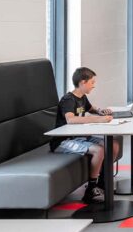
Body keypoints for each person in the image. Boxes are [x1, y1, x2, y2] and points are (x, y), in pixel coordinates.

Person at [50, 67, 120, 203]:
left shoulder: (82, 97)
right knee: (99, 150)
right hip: (63, 141)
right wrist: (98, 119)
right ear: (83, 82)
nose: (94, 86)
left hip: (79, 137)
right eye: (92, 82)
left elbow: (92, 109)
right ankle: (91, 190)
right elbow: (71, 119)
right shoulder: (68, 99)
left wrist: (101, 112)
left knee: (114, 145)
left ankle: (103, 182)